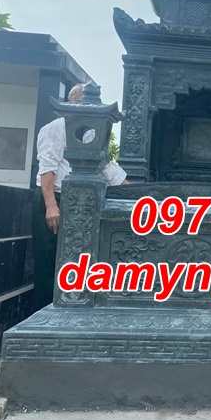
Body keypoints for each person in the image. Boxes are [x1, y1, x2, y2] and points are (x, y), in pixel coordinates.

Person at [32, 83, 127, 309]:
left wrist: (132, 191)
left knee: (76, 261)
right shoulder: (54, 129)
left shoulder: (92, 130)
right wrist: (51, 206)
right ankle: (42, 310)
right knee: (48, 260)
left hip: (82, 203)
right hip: (55, 199)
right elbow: (47, 169)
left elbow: (106, 167)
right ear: (72, 102)